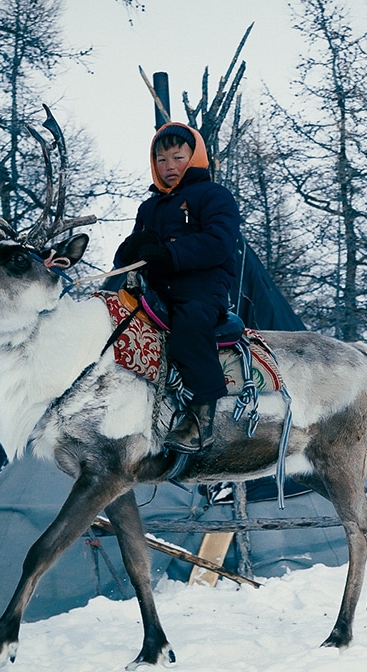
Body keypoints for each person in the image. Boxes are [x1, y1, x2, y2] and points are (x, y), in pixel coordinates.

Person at [115, 122, 240, 453]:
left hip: (202, 289)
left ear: (195, 157)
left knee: (189, 324)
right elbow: (135, 249)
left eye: (177, 157)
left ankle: (202, 417)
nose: (169, 166)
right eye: (161, 159)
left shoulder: (214, 195)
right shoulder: (149, 207)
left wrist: (167, 254)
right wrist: (129, 252)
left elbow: (219, 242)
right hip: (156, 292)